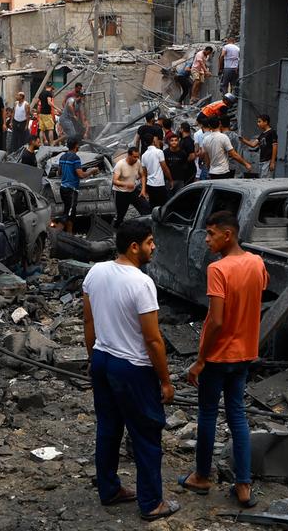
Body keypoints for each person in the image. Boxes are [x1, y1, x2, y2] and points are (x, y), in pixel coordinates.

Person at [82, 220, 180, 522]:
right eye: (150, 242)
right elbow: (153, 340)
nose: (154, 248)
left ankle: (110, 489)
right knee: (147, 433)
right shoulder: (141, 283)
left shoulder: (95, 272)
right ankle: (151, 503)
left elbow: (88, 323)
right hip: (132, 368)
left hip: (102, 358)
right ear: (134, 246)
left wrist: (93, 357)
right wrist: (165, 381)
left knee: (109, 428)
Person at [178, 211, 267, 511]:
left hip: (217, 355)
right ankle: (243, 485)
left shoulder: (218, 269)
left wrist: (200, 360)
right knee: (238, 417)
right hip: (244, 353)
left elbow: (215, 321)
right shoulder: (256, 263)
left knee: (207, 415)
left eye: (211, 234)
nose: (206, 239)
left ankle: (202, 476)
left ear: (227, 235)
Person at [59, 139, 100, 233]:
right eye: (78, 145)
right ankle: (55, 233)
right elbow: (81, 175)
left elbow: (59, 172)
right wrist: (92, 170)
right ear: (76, 146)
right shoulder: (75, 158)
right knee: (68, 214)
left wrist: (68, 172)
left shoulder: (62, 157)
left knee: (70, 214)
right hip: (71, 190)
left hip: (63, 189)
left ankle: (69, 236)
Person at [112, 147, 152, 227]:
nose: (136, 159)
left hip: (133, 191)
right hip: (121, 193)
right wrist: (126, 184)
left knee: (146, 208)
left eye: (138, 157)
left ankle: (147, 227)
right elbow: (114, 181)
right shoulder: (120, 164)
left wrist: (143, 189)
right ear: (129, 155)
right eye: (134, 157)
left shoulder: (138, 162)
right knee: (120, 216)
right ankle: (116, 231)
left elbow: (143, 175)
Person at [141, 136, 173, 208]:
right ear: (154, 141)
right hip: (159, 184)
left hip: (150, 184)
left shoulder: (143, 155)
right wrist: (170, 180)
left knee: (153, 206)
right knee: (163, 206)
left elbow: (144, 173)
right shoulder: (159, 152)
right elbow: (165, 168)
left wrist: (144, 188)